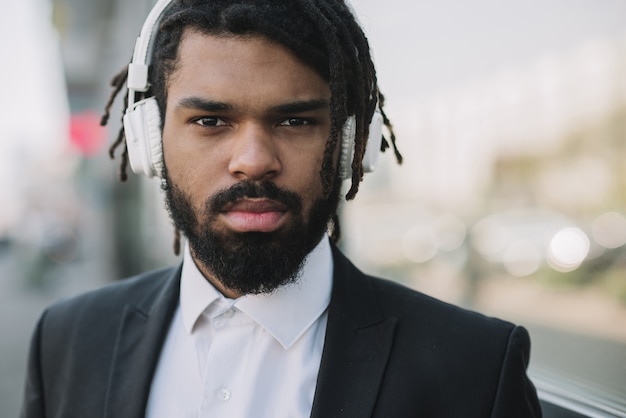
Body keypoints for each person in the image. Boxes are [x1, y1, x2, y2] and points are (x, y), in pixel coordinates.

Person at [20, 0, 542, 417]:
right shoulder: (67, 340)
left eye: (295, 122)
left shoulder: (475, 368)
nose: (253, 162)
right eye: (209, 121)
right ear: (148, 140)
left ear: (348, 146)